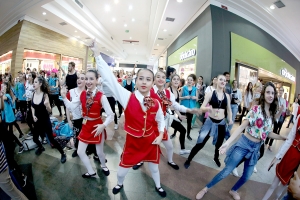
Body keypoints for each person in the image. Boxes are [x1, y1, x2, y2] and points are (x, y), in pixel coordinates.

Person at [90, 41, 167, 197]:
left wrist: (160, 135)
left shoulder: (157, 102)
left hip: (151, 142)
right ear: (136, 81)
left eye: (148, 79)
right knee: (122, 169)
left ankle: (158, 186)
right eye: (141, 78)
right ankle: (119, 183)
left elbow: (160, 120)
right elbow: (110, 79)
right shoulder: (127, 97)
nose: (144, 82)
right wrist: (98, 55)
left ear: (152, 83)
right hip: (133, 143)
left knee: (154, 168)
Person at [194, 82, 286, 200]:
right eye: (268, 92)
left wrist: (283, 138)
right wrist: (227, 144)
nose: (270, 95)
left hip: (256, 148)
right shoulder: (256, 109)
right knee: (227, 171)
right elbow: (242, 127)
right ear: (263, 95)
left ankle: (233, 190)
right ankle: (205, 188)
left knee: (247, 176)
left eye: (272, 93)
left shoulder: (271, 114)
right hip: (244, 143)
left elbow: (268, 133)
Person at [61, 69, 114, 177]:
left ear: (96, 80)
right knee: (80, 152)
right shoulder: (82, 94)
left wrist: (103, 125)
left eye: (91, 79)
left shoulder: (101, 96)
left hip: (97, 126)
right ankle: (91, 171)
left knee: (99, 153)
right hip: (86, 126)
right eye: (86, 79)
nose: (88, 81)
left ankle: (103, 165)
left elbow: (111, 115)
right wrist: (63, 96)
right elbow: (71, 107)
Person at [184, 74, 232, 169]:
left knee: (219, 143)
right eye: (221, 79)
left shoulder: (227, 96)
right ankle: (189, 159)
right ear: (216, 81)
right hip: (210, 122)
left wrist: (230, 119)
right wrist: (207, 109)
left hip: (221, 123)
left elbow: (229, 109)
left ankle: (216, 158)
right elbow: (202, 107)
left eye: (224, 80)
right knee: (200, 143)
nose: (223, 81)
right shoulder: (210, 94)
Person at [262, 108, 300, 200]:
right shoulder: (299, 117)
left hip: (297, 166)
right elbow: (290, 139)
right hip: (289, 156)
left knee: (282, 191)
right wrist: (276, 157)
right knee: (273, 185)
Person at [31, 76, 67, 163]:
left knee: (51, 140)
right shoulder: (34, 93)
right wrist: (33, 115)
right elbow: (32, 106)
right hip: (37, 120)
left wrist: (47, 105)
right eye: (33, 82)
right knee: (35, 139)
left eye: (35, 82)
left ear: (40, 84)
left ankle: (62, 153)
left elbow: (50, 111)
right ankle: (41, 147)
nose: (33, 84)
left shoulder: (45, 95)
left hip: (45, 120)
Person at [64, 73, 86, 158]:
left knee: (85, 135)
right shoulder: (71, 91)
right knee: (76, 136)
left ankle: (84, 150)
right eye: (78, 78)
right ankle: (77, 149)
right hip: (76, 119)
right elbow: (67, 105)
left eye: (82, 78)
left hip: (86, 119)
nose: (79, 80)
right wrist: (69, 119)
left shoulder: (88, 92)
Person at [169, 74, 192, 154]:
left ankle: (182, 149)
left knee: (183, 130)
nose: (176, 81)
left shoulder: (178, 91)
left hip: (171, 116)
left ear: (179, 81)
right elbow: (168, 105)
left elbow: (176, 106)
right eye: (174, 79)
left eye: (177, 79)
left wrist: (179, 115)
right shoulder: (168, 91)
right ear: (171, 81)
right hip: (165, 116)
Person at [1, 82, 24, 154]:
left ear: (6, 87)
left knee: (9, 133)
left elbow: (4, 98)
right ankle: (13, 144)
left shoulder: (7, 95)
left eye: (3, 86)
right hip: (6, 117)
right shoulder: (4, 95)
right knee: (9, 133)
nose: (1, 87)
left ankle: (20, 145)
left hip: (9, 117)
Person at [265, 86, 287, 151]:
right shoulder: (275, 98)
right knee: (269, 130)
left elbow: (284, 109)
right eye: (280, 90)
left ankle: (270, 145)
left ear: (283, 92)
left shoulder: (283, 100)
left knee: (275, 131)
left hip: (278, 117)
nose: (280, 92)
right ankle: (266, 143)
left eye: (282, 90)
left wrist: (281, 109)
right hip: (272, 116)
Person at [179, 74, 198, 140]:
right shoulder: (183, 88)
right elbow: (179, 97)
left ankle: (188, 135)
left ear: (193, 81)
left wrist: (194, 97)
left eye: (191, 80)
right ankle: (174, 133)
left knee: (189, 122)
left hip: (191, 108)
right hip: (183, 107)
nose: (189, 81)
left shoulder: (195, 89)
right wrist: (185, 97)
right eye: (188, 80)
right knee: (179, 120)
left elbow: (197, 99)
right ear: (187, 80)